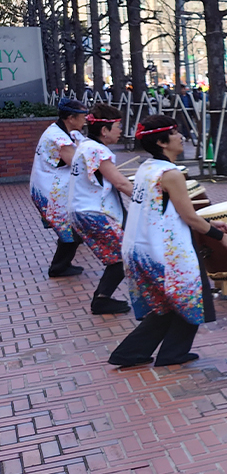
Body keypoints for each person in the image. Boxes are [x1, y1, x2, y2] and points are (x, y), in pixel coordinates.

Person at [108, 115, 227, 368]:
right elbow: (188, 216)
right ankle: (171, 354)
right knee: (190, 297)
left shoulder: (147, 168)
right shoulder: (170, 173)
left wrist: (210, 224)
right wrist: (221, 236)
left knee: (167, 305)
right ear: (162, 142)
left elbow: (170, 211)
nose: (180, 137)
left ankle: (131, 353)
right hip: (164, 253)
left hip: (139, 249)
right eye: (175, 133)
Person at [70, 103, 134, 315]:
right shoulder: (97, 150)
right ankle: (102, 300)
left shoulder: (86, 146)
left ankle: (102, 299)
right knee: (124, 254)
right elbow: (121, 184)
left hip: (83, 211)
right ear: (104, 130)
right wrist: (152, 201)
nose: (120, 130)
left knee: (119, 256)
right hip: (93, 213)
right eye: (117, 126)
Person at [31, 98, 88, 277]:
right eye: (82, 116)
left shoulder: (64, 131)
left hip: (54, 189)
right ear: (70, 118)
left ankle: (61, 265)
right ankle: (58, 268)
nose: (85, 120)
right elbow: (76, 163)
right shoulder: (58, 137)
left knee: (73, 230)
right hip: (50, 192)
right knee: (70, 232)